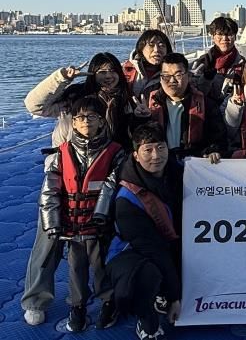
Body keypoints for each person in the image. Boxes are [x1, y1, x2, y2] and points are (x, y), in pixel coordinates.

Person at [22, 52, 132, 326]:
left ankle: (106, 299)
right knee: (48, 242)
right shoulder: (72, 99)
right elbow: (34, 104)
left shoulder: (126, 99)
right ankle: (36, 300)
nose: (108, 75)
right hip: (65, 180)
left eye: (112, 70)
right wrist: (60, 78)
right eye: (101, 70)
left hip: (104, 178)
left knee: (100, 251)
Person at [38, 96, 126, 331]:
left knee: (102, 266)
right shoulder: (61, 153)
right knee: (75, 268)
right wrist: (52, 223)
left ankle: (108, 301)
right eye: (80, 117)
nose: (86, 121)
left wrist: (102, 215)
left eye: (92, 116)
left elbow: (113, 185)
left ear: (102, 121)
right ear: (73, 122)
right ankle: (77, 306)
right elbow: (49, 190)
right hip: (72, 226)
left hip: (101, 226)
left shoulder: (115, 152)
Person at [106, 123, 182, 340]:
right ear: (136, 155)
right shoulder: (127, 199)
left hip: (170, 244)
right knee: (145, 276)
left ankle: (164, 292)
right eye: (148, 150)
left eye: (161, 147)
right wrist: (175, 296)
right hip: (132, 253)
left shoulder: (179, 173)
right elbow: (153, 249)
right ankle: (147, 320)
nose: (156, 156)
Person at [134, 53, 227, 160]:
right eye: (166, 75)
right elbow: (136, 140)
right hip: (160, 162)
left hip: (192, 162)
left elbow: (219, 139)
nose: (172, 80)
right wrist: (140, 119)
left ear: (188, 76)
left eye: (178, 75)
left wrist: (213, 151)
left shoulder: (206, 104)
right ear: (160, 78)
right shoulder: (149, 103)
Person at [191, 16, 246, 104]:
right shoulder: (201, 63)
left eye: (229, 34)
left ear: (235, 37)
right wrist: (206, 78)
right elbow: (194, 93)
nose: (225, 38)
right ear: (213, 37)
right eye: (220, 34)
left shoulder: (243, 65)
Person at [122, 29, 173, 98]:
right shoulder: (124, 69)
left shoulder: (174, 73)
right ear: (141, 48)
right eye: (151, 45)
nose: (156, 50)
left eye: (161, 45)